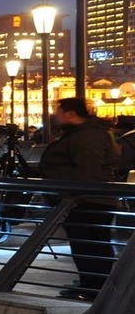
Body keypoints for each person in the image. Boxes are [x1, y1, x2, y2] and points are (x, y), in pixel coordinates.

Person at [38, 97, 119, 301]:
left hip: (87, 200)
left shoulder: (86, 136)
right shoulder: (87, 133)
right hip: (90, 198)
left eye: (58, 111)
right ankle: (92, 283)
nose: (55, 116)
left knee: (89, 243)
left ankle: (94, 288)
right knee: (91, 243)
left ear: (70, 113)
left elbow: (87, 171)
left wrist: (71, 192)